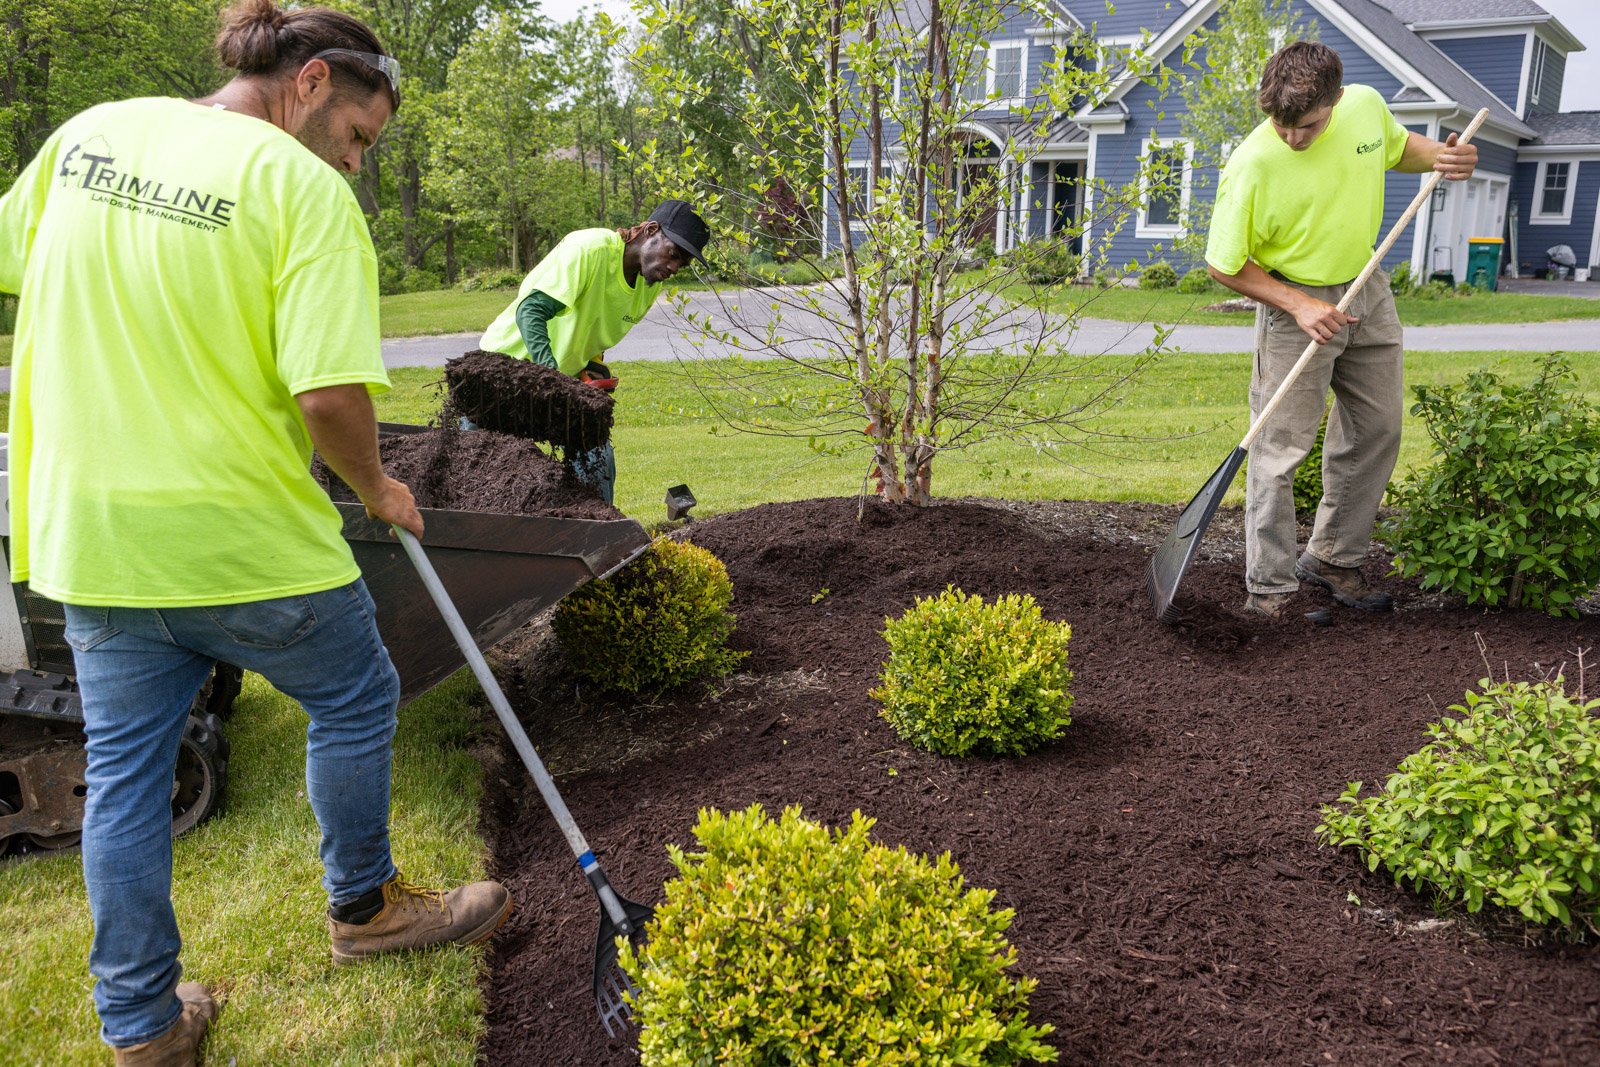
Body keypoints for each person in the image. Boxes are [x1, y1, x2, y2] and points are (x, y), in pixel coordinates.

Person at [0, 2, 511, 1062]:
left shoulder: (91, 135)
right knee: (358, 693)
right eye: (361, 139)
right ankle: (364, 909)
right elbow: (328, 397)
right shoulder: (301, 192)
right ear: (313, 81)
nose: (358, 165)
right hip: (238, 538)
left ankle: (142, 1028)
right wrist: (378, 489)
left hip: (92, 537)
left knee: (127, 775)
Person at [1205, 41, 1477, 619]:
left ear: (1336, 101)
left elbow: (1398, 149)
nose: (1293, 138)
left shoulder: (1365, 106)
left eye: (1307, 126)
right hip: (1292, 302)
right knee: (1279, 451)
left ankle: (1332, 557)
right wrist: (1299, 305)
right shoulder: (1253, 163)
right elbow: (1224, 264)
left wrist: (1441, 157)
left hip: (1366, 286)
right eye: (1281, 125)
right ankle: (1270, 590)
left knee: (1378, 427)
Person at [478, 200, 711, 503]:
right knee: (487, 475)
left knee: (597, 455)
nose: (674, 267)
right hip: (500, 373)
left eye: (682, 264)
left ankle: (599, 537)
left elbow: (592, 325)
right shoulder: (589, 249)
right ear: (651, 230)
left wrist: (589, 365)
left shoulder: (648, 284)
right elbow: (531, 311)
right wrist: (551, 377)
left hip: (554, 384)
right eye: (674, 254)